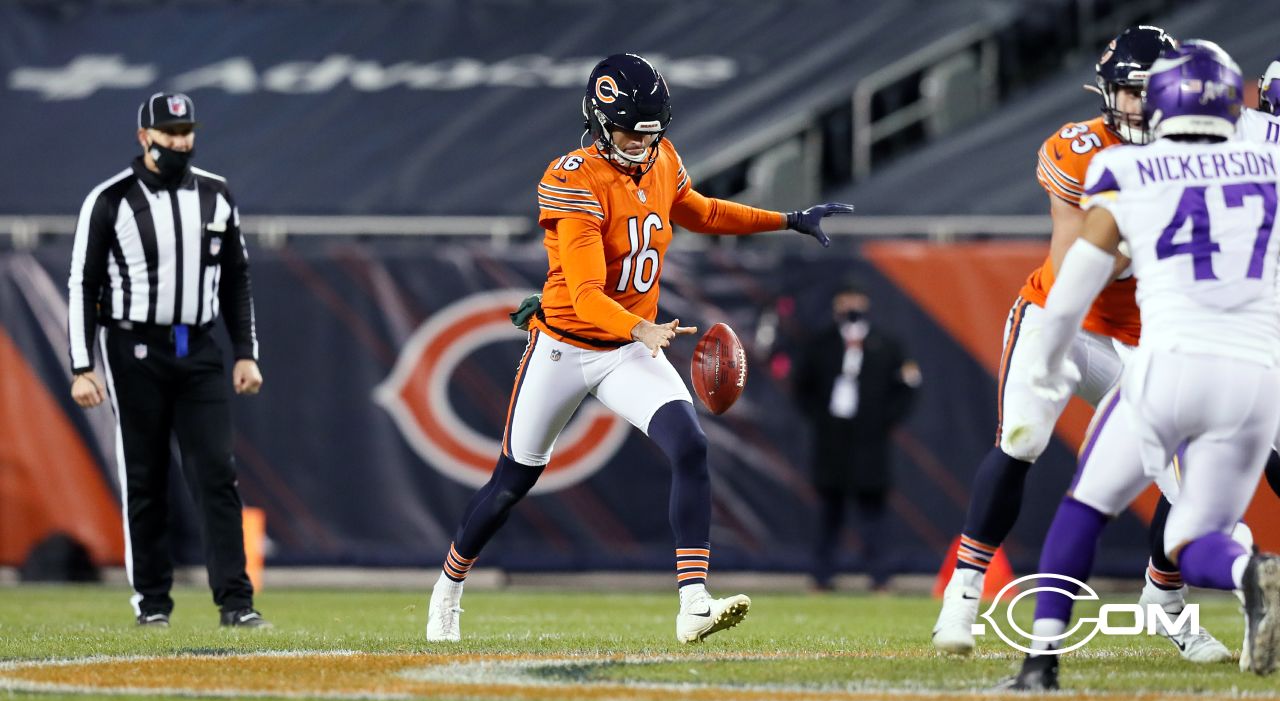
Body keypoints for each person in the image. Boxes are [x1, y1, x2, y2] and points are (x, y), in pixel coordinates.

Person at [424, 53, 853, 644]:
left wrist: (787, 219)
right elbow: (583, 292)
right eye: (630, 132)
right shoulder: (573, 179)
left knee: (690, 445)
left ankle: (693, 603)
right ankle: (449, 586)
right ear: (600, 123)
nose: (642, 144)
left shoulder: (661, 159)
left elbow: (701, 212)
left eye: (653, 133)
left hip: (627, 349)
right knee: (510, 483)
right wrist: (639, 329)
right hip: (566, 346)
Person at [932, 26, 1234, 662]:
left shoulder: (1204, 154)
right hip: (1059, 319)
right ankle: (963, 592)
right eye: (1126, 92)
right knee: (1023, 439)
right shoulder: (1079, 150)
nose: (1135, 107)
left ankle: (1166, 601)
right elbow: (1077, 264)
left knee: (1188, 485)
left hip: (1143, 338)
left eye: (1149, 93)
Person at [1004, 41, 1280, 689]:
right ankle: (1244, 573)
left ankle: (1040, 663)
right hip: (1255, 381)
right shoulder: (1270, 154)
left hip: (1170, 364)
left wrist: (1044, 362)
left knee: (1085, 506)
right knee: (1196, 532)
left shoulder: (1129, 169)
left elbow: (1071, 288)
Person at [67, 92, 268, 629]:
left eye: (186, 133)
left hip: (198, 347)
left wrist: (245, 352)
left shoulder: (216, 194)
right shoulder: (110, 200)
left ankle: (236, 602)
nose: (179, 142)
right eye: (169, 133)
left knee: (217, 474)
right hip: (133, 348)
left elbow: (236, 278)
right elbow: (83, 284)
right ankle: (152, 602)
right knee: (146, 477)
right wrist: (82, 364)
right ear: (145, 137)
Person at [794, 283, 920, 591]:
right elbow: (801, 387)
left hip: (869, 439)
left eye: (855, 298)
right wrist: (821, 418)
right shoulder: (821, 344)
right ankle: (822, 576)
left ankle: (879, 577)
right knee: (829, 510)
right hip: (832, 438)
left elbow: (907, 388)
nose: (851, 305)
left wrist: (883, 420)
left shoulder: (887, 345)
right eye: (844, 299)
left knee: (872, 511)